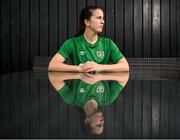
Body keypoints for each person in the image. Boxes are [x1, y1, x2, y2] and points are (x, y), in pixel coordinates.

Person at [48, 6, 129, 72]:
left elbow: (125, 66)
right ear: (87, 22)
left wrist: (99, 67)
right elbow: (52, 65)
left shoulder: (108, 44)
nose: (103, 21)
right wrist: (79, 68)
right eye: (99, 18)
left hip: (102, 89)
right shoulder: (71, 43)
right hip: (79, 88)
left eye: (103, 18)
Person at [48, 72, 129, 135]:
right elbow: (124, 76)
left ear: (87, 121)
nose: (103, 122)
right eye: (103, 125)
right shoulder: (108, 98)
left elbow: (53, 77)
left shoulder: (71, 98)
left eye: (99, 125)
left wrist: (80, 74)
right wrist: (101, 76)